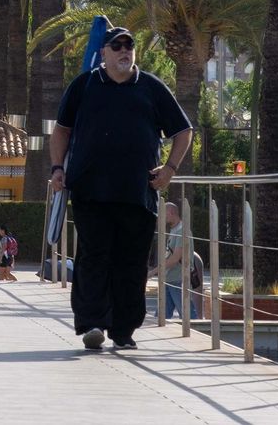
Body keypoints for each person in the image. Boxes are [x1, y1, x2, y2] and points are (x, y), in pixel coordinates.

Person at [49, 24, 192, 351]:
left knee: (131, 263)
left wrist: (170, 168)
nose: (124, 51)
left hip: (138, 193)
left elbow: (183, 131)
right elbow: (61, 132)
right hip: (90, 193)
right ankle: (93, 324)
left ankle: (124, 330)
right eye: (117, 46)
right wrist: (58, 168)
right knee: (94, 258)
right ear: (103, 52)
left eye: (129, 45)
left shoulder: (151, 87)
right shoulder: (84, 85)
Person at [147, 201, 198, 320]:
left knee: (187, 315)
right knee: (161, 315)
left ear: (170, 212)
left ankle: (197, 333)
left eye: (163, 214)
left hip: (178, 279)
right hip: (169, 278)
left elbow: (175, 258)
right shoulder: (174, 230)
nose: (161, 217)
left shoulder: (182, 231)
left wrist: (153, 272)